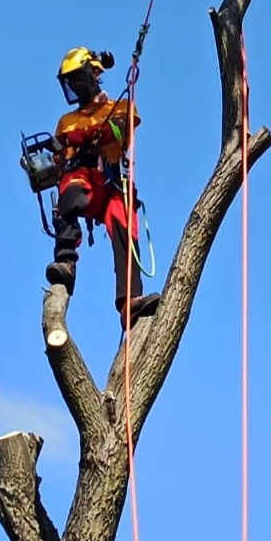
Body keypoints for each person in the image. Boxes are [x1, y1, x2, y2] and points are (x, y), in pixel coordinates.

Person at [45, 46, 160, 329]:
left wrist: (84, 135)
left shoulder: (118, 107)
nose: (74, 86)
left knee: (123, 219)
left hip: (110, 182)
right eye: (69, 81)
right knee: (70, 189)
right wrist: (61, 150)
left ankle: (129, 301)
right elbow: (61, 157)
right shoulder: (66, 121)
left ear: (94, 73)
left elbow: (119, 129)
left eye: (77, 78)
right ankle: (66, 263)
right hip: (82, 177)